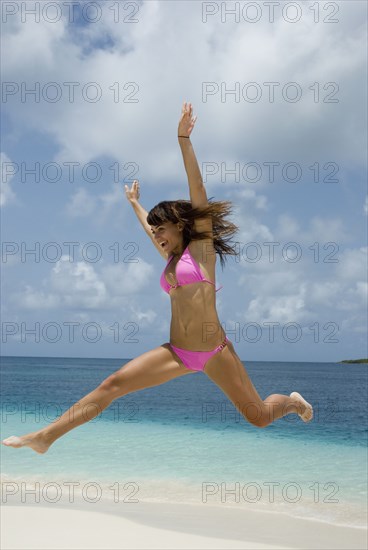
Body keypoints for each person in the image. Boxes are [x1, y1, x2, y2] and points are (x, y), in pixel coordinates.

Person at [2, 102, 312, 454]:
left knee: (257, 416)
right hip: (177, 352)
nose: (158, 236)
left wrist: (183, 140)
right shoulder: (172, 259)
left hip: (214, 351)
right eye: (156, 232)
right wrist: (134, 203)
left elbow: (197, 188)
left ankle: (291, 403)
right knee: (113, 384)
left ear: (180, 225)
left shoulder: (202, 252)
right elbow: (150, 235)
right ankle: (46, 437)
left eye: (162, 228)